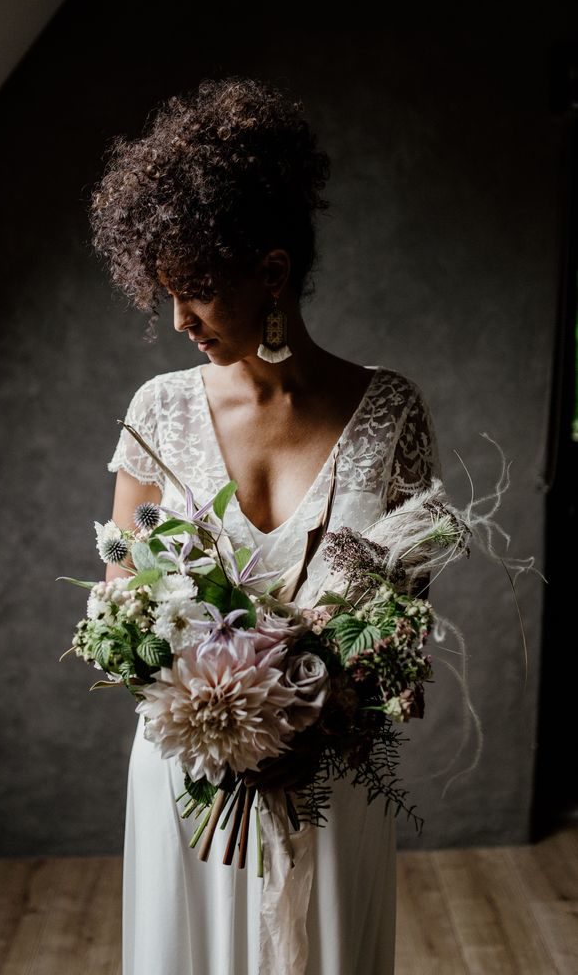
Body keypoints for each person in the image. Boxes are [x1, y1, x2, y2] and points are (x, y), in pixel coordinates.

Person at [89, 76, 441, 975]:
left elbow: (400, 642)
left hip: (330, 784)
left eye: (196, 291)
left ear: (272, 273)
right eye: (163, 293)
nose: (177, 321)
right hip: (190, 776)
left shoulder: (389, 412)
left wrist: (313, 723)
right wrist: (221, 725)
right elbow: (126, 614)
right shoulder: (158, 411)